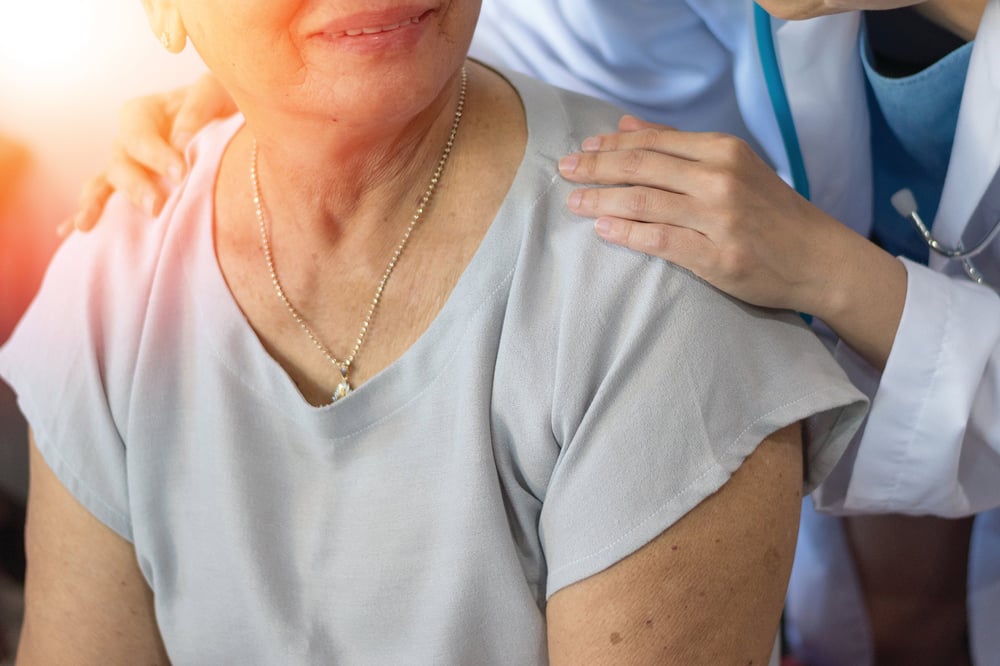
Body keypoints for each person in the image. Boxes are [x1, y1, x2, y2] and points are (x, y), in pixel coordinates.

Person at [67, 0, 1000, 663]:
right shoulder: (121, 273)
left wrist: (830, 270)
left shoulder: (662, 326)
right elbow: (498, 48)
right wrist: (283, 75)